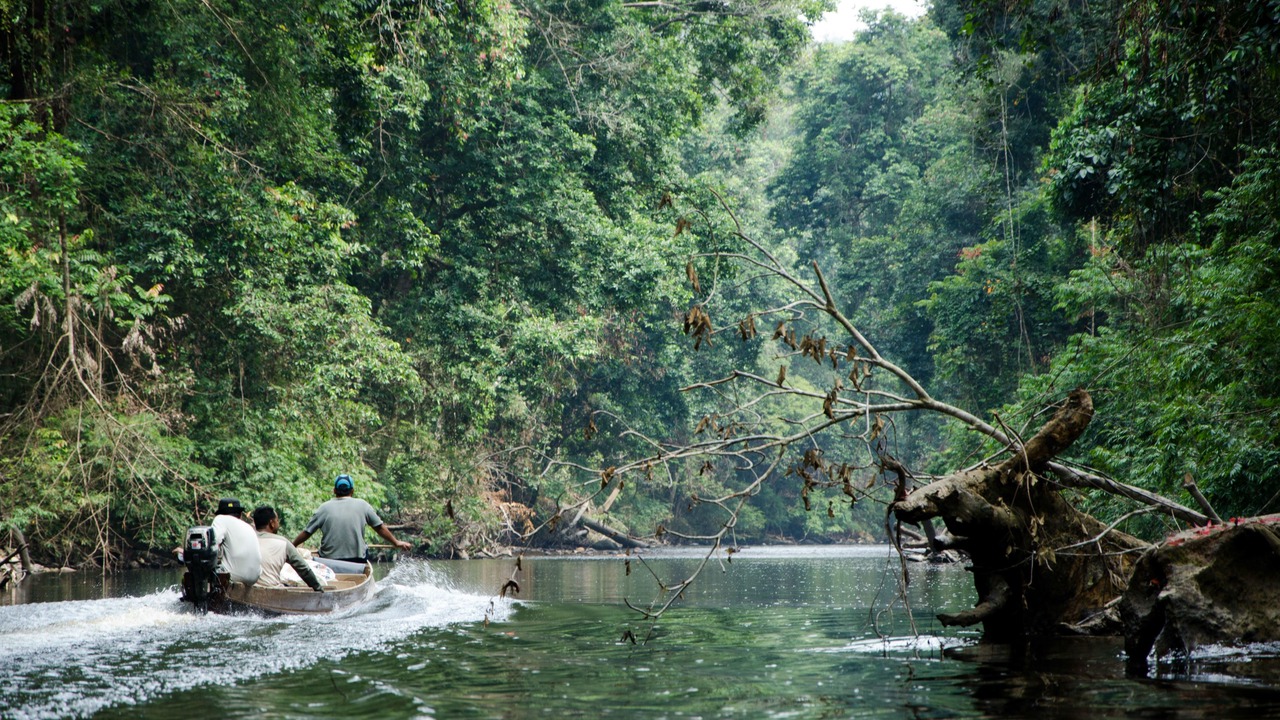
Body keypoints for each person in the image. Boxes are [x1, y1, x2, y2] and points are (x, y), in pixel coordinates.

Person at [293, 474, 412, 563]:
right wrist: (396, 542)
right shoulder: (363, 505)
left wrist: (292, 546)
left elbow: (307, 532)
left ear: (334, 491)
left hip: (328, 561)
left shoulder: (323, 508)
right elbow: (379, 528)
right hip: (357, 560)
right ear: (352, 491)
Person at [252, 506, 326, 591]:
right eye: (277, 521)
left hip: (247, 590)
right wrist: (317, 588)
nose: (278, 524)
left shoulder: (247, 539)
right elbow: (304, 569)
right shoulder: (283, 542)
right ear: (271, 523)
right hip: (271, 591)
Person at [210, 497, 261, 585]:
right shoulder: (249, 527)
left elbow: (212, 543)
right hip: (254, 577)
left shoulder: (220, 519)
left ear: (219, 514)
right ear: (240, 515)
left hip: (233, 575)